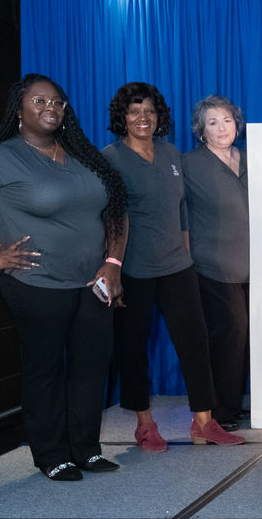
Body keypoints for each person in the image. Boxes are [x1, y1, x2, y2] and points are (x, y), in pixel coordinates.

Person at [0, 74, 127, 481]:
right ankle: (52, 454)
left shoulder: (82, 155)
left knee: (92, 368)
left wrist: (112, 262)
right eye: (38, 101)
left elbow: (116, 210)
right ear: (18, 110)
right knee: (46, 369)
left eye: (57, 101)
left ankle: (86, 450)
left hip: (93, 282)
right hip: (36, 283)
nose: (50, 107)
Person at [103, 82, 244, 450]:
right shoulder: (111, 159)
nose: (142, 118)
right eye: (134, 112)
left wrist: (185, 252)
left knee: (195, 344)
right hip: (134, 269)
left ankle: (204, 422)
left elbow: (182, 208)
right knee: (134, 349)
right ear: (123, 117)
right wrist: (111, 267)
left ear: (158, 116)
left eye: (148, 111)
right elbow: (108, 217)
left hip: (178, 267)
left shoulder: (169, 153)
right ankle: (145, 425)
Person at [182, 95, 250, 432]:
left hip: (257, 266)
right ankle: (221, 412)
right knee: (232, 331)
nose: (222, 128)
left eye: (227, 120)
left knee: (252, 335)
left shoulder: (252, 159)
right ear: (201, 131)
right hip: (213, 265)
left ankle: (238, 403)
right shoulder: (189, 165)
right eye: (213, 122)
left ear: (237, 124)